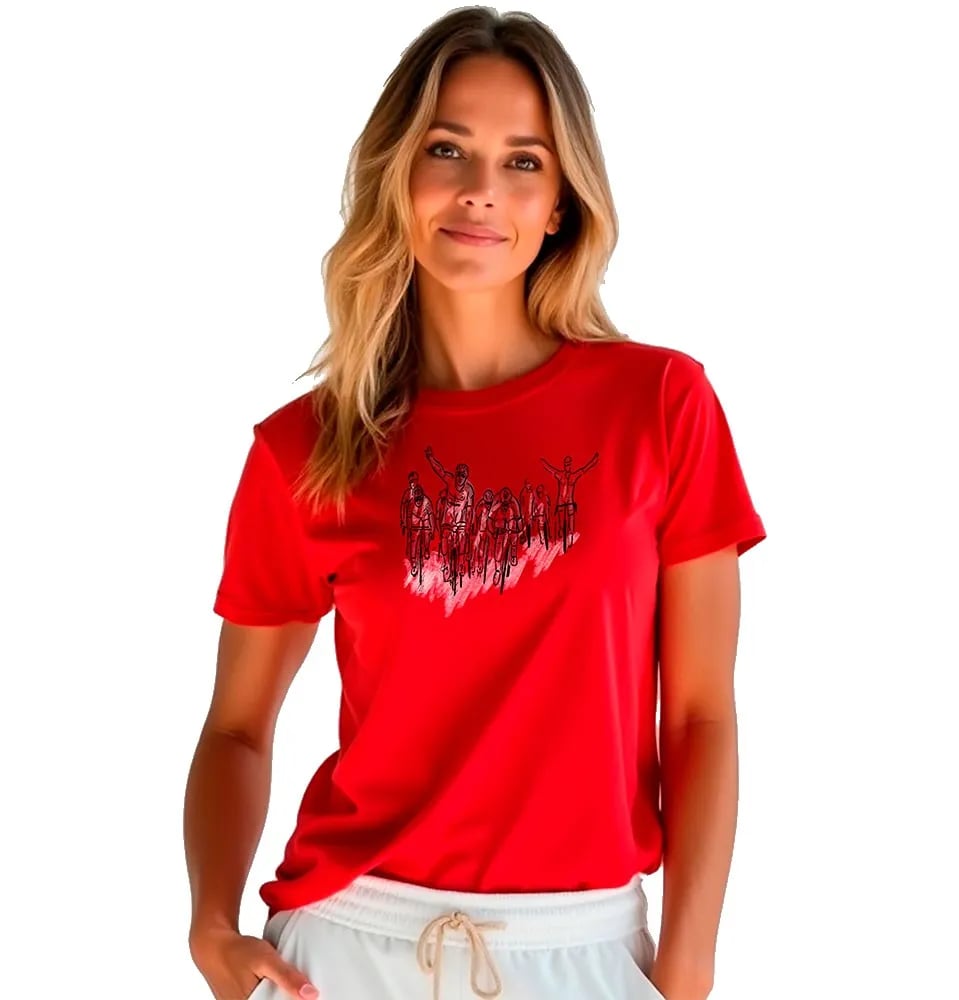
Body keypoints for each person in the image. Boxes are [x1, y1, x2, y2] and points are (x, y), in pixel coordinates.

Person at [184, 8, 767, 1000]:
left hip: (583, 948)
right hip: (346, 947)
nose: (480, 191)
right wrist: (211, 924)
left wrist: (689, 964)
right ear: (397, 173)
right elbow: (237, 728)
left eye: (523, 161)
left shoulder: (661, 407)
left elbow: (702, 713)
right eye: (446, 148)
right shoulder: (305, 449)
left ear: (561, 203)